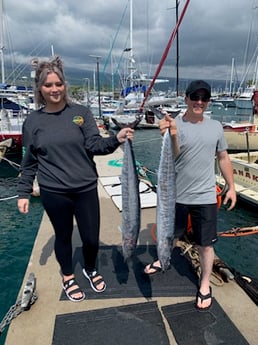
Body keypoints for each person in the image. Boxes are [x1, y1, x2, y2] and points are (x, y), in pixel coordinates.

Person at [17, 56, 134, 302]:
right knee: (63, 236)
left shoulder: (81, 114)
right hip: (54, 191)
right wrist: (23, 192)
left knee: (91, 238)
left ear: (64, 85)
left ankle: (90, 268)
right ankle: (68, 275)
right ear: (40, 88)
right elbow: (30, 161)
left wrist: (116, 139)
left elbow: (95, 144)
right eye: (48, 85)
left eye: (58, 84)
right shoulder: (32, 122)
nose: (54, 89)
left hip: (85, 188)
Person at [144, 80, 237, 311]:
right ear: (186, 99)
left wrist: (231, 186)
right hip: (175, 196)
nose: (199, 102)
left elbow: (223, 158)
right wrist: (172, 135)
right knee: (169, 236)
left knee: (205, 245)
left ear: (208, 102)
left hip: (205, 197)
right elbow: (174, 155)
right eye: (195, 97)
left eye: (204, 98)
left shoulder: (216, 126)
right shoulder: (175, 125)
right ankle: (162, 259)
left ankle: (204, 284)